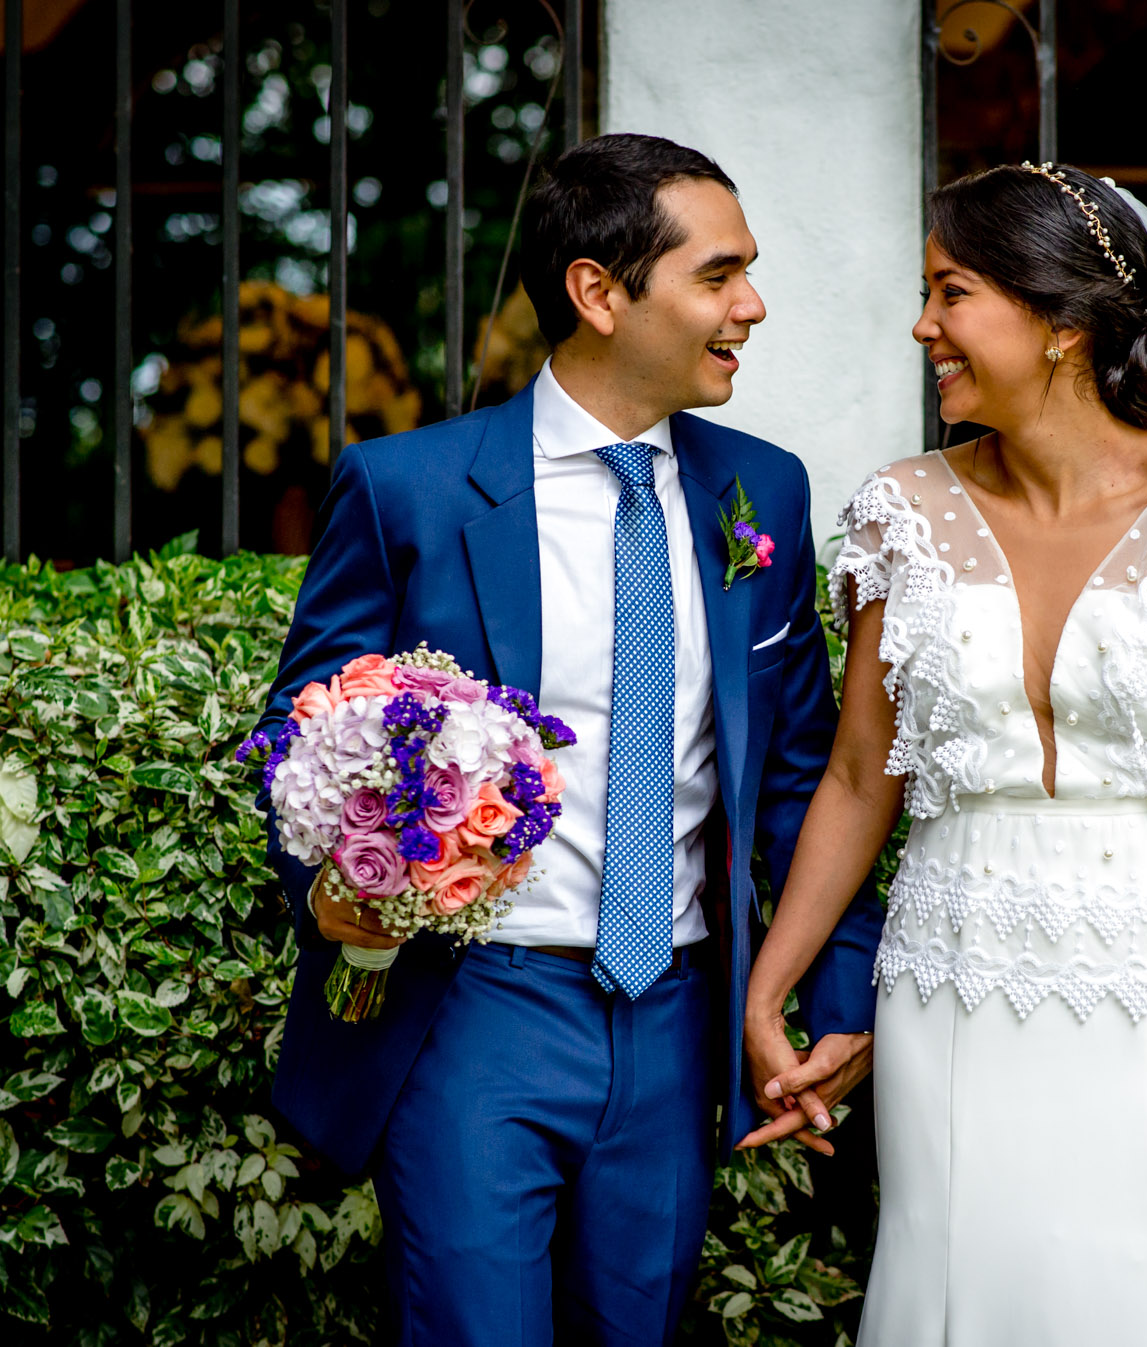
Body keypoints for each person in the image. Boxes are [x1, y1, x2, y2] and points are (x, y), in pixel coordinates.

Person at [251, 132, 882, 1347]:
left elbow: (804, 773)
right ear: (598, 292)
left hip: (677, 1017)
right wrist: (338, 888)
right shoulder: (407, 489)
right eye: (717, 275)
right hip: (473, 1011)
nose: (750, 306)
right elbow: (300, 738)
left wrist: (838, 992)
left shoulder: (762, 493)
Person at [739, 163, 1147, 1345]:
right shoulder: (898, 513)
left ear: (1060, 324)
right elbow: (858, 777)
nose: (922, 328)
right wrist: (767, 986)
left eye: (951, 292)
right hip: (949, 990)